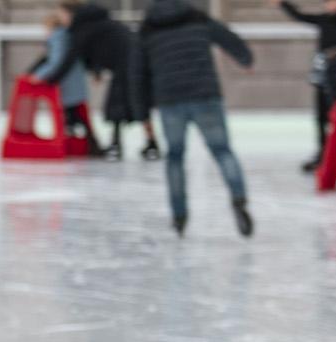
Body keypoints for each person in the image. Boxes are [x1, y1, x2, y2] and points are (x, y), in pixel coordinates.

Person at [132, 0, 255, 237]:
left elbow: (138, 73)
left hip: (170, 100)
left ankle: (179, 215)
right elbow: (227, 37)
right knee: (222, 150)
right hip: (205, 95)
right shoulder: (196, 19)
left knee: (175, 157)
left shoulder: (148, 29)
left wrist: (142, 114)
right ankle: (238, 198)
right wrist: (245, 58)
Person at [44, 1, 162, 160]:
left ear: (71, 14)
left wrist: (50, 80)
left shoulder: (82, 29)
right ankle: (149, 143)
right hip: (136, 60)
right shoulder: (97, 23)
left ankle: (118, 145)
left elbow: (69, 59)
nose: (61, 19)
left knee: (119, 103)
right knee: (138, 102)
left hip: (128, 63)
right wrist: (97, 69)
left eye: (62, 15)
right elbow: (101, 46)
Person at [271, 0, 336, 172]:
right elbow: (302, 16)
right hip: (324, 75)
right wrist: (283, 4)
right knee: (322, 117)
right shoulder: (324, 20)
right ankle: (324, 153)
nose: (328, 5)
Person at [32, 10, 99, 153]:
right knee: (78, 116)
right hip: (73, 84)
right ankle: (86, 145)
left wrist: (39, 76)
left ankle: (83, 146)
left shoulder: (58, 38)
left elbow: (55, 62)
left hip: (69, 85)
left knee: (74, 116)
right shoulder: (65, 37)